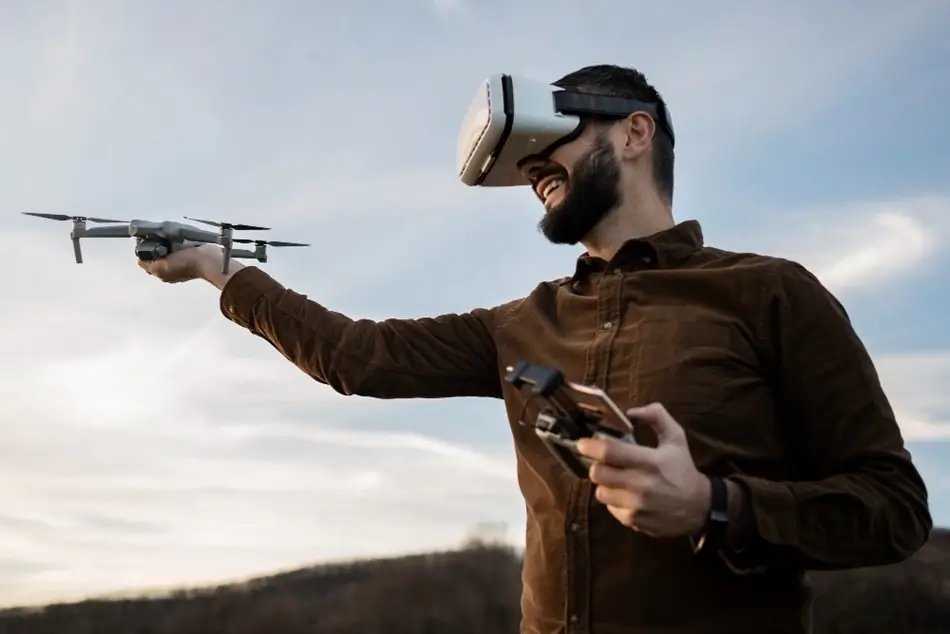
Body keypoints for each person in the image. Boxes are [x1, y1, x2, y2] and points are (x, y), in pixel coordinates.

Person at [140, 64, 933, 634]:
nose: (532, 170)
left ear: (635, 131)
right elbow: (360, 355)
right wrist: (220, 268)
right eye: (523, 161)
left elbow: (893, 510)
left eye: (553, 139)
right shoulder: (520, 322)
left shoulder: (771, 293)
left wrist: (713, 505)